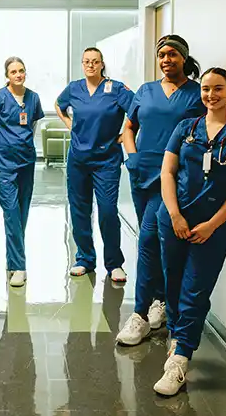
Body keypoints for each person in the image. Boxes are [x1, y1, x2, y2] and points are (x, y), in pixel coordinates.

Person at [153, 68, 226, 396]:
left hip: (212, 228)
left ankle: (180, 360)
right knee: (172, 284)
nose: (211, 95)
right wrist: (174, 214)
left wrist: (212, 225)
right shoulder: (186, 128)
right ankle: (176, 337)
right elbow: (167, 172)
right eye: (206, 89)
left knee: (195, 290)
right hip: (174, 220)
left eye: (218, 89)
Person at [116, 35, 206, 346]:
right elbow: (129, 127)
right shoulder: (145, 91)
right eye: (162, 55)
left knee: (150, 238)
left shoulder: (196, 94)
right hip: (141, 174)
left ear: (184, 58)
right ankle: (160, 301)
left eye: (172, 55)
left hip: (173, 179)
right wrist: (132, 156)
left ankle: (141, 313)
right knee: (153, 241)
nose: (166, 60)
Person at [55, 47, 134, 283]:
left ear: (102, 64)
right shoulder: (74, 88)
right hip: (78, 159)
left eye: (95, 61)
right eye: (86, 61)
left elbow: (137, 110)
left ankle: (114, 263)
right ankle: (85, 259)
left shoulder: (116, 88)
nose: (90, 65)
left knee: (108, 211)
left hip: (106, 159)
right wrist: (70, 125)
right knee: (79, 210)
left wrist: (124, 134)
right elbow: (59, 105)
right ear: (82, 64)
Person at [0, 57, 45, 288]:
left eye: (21, 71)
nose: (18, 75)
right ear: (7, 75)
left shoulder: (33, 97)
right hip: (4, 164)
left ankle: (12, 261)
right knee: (11, 213)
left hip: (26, 161)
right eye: (13, 72)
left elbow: (33, 126)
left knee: (22, 212)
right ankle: (20, 267)